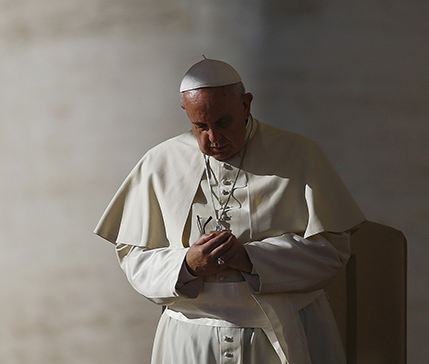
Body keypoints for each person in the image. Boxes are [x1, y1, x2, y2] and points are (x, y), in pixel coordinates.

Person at [94, 57, 365, 364]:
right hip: (192, 338)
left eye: (223, 123)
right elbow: (135, 258)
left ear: (246, 105)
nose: (213, 138)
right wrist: (188, 264)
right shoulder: (160, 163)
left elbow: (331, 251)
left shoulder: (299, 154)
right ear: (186, 114)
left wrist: (251, 258)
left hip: (284, 330)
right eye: (200, 126)